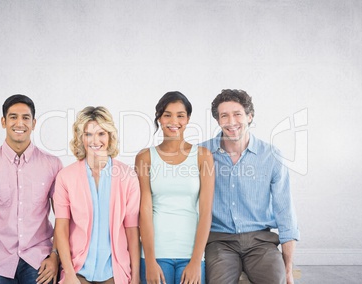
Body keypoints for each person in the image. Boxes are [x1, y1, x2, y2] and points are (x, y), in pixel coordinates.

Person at [201, 89, 300, 284]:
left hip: (261, 242)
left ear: (249, 116)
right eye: (224, 116)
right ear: (218, 121)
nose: (231, 121)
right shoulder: (202, 154)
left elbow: (285, 212)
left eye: (237, 114)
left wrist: (288, 269)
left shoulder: (271, 156)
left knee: (275, 280)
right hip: (219, 241)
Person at [0, 94, 63, 284]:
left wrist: (55, 257)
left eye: (25, 118)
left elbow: (62, 217)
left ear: (34, 123)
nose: (19, 123)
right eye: (13, 117)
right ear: (3, 122)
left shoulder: (53, 165)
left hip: (39, 259)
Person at [53, 106, 140, 284]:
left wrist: (136, 277)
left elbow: (132, 231)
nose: (95, 140)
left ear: (110, 136)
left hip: (114, 272)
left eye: (101, 133)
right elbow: (61, 227)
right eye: (88, 134)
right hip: (77, 270)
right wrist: (69, 273)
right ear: (80, 137)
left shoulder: (127, 176)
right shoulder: (65, 176)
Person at [135, 91, 215, 284]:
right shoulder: (145, 157)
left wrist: (196, 260)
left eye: (180, 115)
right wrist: (151, 261)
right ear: (159, 118)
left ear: (187, 119)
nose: (174, 121)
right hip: (156, 254)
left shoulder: (203, 156)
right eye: (167, 115)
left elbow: (205, 212)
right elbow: (144, 211)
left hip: (191, 253)